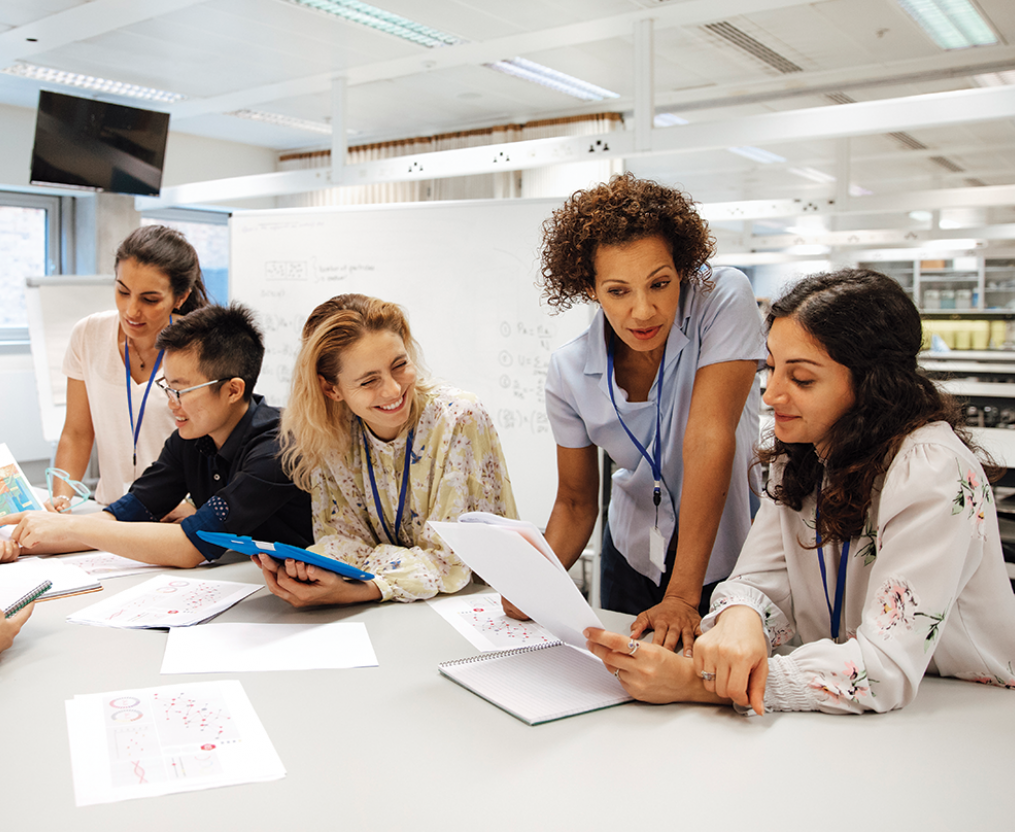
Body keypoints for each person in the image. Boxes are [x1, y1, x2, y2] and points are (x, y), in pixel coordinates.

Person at [586, 268, 1015, 715]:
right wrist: (741, 619)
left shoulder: (931, 471)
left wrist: (699, 682)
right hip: (851, 713)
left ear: (873, 385)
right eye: (770, 367)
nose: (770, 394)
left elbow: (882, 668)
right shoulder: (803, 452)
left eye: (802, 379)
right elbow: (756, 580)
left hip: (964, 710)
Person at [515, 173, 765, 654]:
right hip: (630, 555)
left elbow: (709, 438)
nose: (643, 311)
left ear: (683, 269)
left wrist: (680, 596)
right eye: (618, 291)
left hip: (725, 554)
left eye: (660, 283)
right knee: (625, 694)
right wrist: (534, 584)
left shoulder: (722, 298)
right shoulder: (569, 371)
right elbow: (574, 502)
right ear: (589, 288)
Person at [252, 293, 517, 607]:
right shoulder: (332, 432)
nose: (392, 389)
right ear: (331, 389)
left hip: (476, 609)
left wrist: (358, 588)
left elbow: (450, 562)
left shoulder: (458, 416)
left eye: (400, 365)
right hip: (388, 611)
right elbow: (344, 541)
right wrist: (309, 569)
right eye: (368, 381)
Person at [1, 304, 312, 567]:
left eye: (181, 390)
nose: (171, 402)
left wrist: (67, 524)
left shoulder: (278, 447)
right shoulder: (191, 438)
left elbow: (189, 546)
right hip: (247, 583)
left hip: (317, 601)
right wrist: (19, 543)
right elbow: (122, 517)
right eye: (168, 387)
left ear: (233, 390)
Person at [52, 224, 209, 510]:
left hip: (177, 516)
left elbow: (216, 444)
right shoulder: (88, 334)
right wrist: (61, 500)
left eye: (150, 300)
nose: (132, 311)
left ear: (181, 297)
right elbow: (76, 433)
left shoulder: (202, 347)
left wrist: (194, 505)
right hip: (109, 512)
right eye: (123, 292)